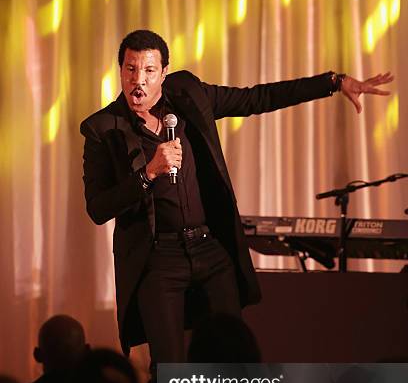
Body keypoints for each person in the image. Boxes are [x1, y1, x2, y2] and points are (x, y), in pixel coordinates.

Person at [80, 29, 393, 364]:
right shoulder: (102, 128)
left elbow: (256, 98)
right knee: (168, 372)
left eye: (148, 70)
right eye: (130, 69)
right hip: (158, 258)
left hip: (208, 248)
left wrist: (333, 82)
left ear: (164, 73)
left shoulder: (188, 95)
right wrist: (148, 173)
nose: (137, 81)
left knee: (233, 359)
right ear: (120, 70)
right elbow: (98, 208)